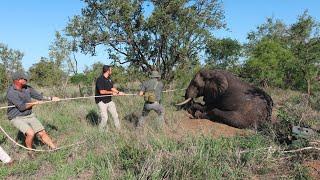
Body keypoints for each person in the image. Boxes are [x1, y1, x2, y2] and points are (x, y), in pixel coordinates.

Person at [6, 71, 60, 150]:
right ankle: (30, 151)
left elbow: (38, 96)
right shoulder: (11, 92)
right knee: (31, 133)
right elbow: (22, 107)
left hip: (29, 115)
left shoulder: (27, 88)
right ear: (16, 80)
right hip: (16, 117)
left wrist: (51, 98)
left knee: (42, 132)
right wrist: (34, 103)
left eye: (25, 78)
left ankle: (54, 148)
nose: (25, 79)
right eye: (23, 78)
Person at [95, 65, 124, 130]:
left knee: (115, 116)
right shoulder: (100, 79)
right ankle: (100, 131)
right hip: (101, 101)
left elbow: (112, 88)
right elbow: (102, 92)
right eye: (111, 70)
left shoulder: (109, 79)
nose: (111, 71)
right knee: (105, 118)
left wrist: (119, 92)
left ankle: (119, 130)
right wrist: (111, 93)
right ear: (108, 71)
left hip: (109, 100)